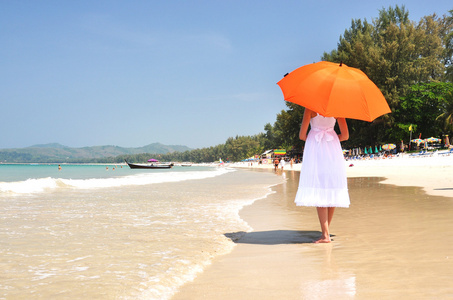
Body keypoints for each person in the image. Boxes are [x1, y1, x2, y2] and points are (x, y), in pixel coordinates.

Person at [295, 108, 350, 243]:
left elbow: (302, 135)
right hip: (333, 148)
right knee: (331, 186)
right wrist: (331, 139)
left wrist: (314, 139)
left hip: (316, 148)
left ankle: (325, 236)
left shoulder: (310, 108)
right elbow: (345, 136)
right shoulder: (338, 108)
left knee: (319, 186)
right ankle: (325, 232)